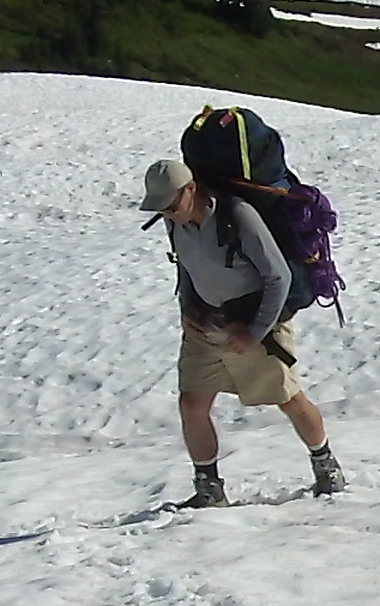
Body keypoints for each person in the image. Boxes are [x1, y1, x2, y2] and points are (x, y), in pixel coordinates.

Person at [139, 158, 346, 506]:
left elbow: (279, 277)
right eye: (161, 210)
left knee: (289, 399)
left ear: (190, 190)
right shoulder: (175, 223)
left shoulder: (237, 215)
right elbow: (186, 268)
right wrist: (188, 308)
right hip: (207, 325)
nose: (167, 215)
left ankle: (326, 466)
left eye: (171, 206)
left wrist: (254, 331)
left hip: (254, 325)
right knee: (192, 402)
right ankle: (209, 489)